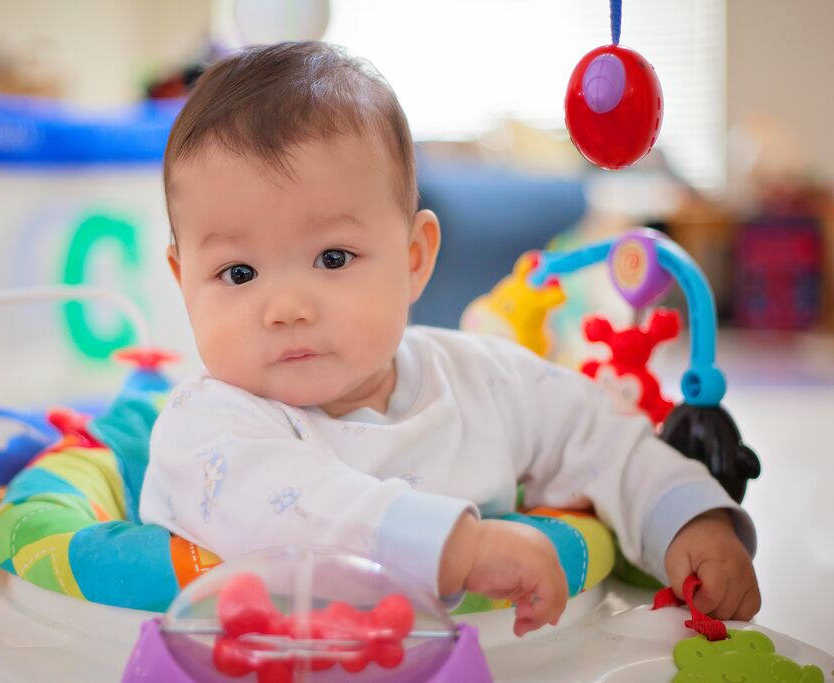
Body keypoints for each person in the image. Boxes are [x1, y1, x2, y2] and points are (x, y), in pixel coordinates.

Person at [139, 41, 759, 636]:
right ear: (184, 281)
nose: (288, 308)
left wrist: (688, 520)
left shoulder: (483, 380)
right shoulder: (206, 430)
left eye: (332, 257)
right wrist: (458, 549)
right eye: (238, 273)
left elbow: (599, 435)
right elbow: (285, 511)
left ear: (413, 258)